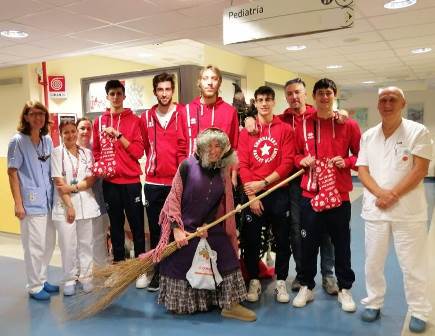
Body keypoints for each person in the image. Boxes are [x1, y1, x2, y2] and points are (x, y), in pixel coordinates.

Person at [244, 78, 338, 294]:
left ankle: (328, 275)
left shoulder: (318, 116)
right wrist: (250, 118)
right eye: (290, 94)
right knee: (297, 231)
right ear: (285, 98)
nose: (294, 97)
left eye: (298, 92)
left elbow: (332, 116)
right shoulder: (284, 119)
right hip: (292, 183)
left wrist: (338, 114)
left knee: (325, 230)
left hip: (322, 179)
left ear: (306, 94)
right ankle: (303, 275)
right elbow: (263, 117)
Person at [153, 128, 256, 322]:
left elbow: (217, 203)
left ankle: (230, 305)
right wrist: (177, 229)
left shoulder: (222, 171)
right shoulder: (187, 166)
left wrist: (207, 225)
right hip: (183, 227)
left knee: (226, 253)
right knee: (182, 257)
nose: (214, 150)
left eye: (218, 145)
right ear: (201, 146)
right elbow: (172, 200)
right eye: (210, 145)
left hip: (207, 227)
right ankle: (183, 303)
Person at [357, 87, 432, 333]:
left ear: (403, 103)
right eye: (383, 100)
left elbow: (419, 170)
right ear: (378, 105)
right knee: (373, 262)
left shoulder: (417, 131)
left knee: (412, 264)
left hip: (408, 211)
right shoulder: (369, 135)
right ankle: (374, 303)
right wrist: (381, 194)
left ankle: (420, 310)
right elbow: (363, 170)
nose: (387, 103)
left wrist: (393, 194)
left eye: (392, 99)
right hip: (376, 210)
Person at [292, 78, 360, 313]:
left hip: (339, 195)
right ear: (314, 97)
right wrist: (302, 160)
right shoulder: (302, 124)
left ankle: (345, 288)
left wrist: (347, 161)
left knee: (341, 244)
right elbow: (295, 155)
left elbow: (361, 157)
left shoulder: (348, 124)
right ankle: (307, 286)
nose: (324, 97)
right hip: (310, 194)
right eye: (319, 93)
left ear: (334, 95)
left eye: (328, 93)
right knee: (307, 244)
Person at [238, 86, 294, 303]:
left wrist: (264, 183)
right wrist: (252, 196)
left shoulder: (285, 130)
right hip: (253, 197)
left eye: (268, 100)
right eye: (260, 100)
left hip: (277, 193)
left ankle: (281, 281)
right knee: (251, 240)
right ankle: (253, 280)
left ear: (273, 102)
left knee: (282, 239)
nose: (264, 104)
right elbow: (243, 165)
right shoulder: (247, 132)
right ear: (255, 102)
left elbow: (288, 162)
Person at [136, 72, 184, 291]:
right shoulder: (145, 117)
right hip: (154, 184)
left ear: (173, 91)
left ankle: (174, 274)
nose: (164, 94)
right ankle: (156, 272)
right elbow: (144, 146)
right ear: (155, 91)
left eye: (167, 89)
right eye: (160, 90)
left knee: (177, 231)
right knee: (156, 232)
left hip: (177, 183)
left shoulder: (183, 113)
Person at [7, 101, 59, 300]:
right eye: (33, 113)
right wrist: (18, 203)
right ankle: (34, 285)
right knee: (34, 246)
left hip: (47, 201)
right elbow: (12, 173)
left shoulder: (46, 140)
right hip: (30, 202)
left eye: (41, 114)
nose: (38, 117)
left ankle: (43, 278)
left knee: (47, 244)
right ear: (26, 116)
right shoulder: (17, 141)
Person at [92, 80, 145, 262]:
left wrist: (119, 136)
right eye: (112, 94)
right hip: (110, 184)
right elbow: (96, 151)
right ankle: (119, 265)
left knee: (137, 226)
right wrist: (102, 167)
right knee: (115, 227)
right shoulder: (99, 122)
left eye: (118, 93)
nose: (115, 97)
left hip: (131, 183)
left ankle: (140, 268)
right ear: (107, 97)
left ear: (124, 96)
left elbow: (138, 152)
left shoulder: (135, 121)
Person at [51, 120, 100, 296]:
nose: (71, 135)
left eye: (73, 131)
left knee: (86, 244)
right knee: (68, 245)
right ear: (60, 134)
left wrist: (72, 188)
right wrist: (70, 206)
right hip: (65, 207)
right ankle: (70, 279)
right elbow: (58, 182)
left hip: (85, 203)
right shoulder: (57, 153)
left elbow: (91, 179)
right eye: (66, 132)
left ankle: (86, 277)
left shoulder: (87, 153)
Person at [177, 65, 239, 163]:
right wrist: (185, 170)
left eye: (214, 79)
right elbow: (180, 147)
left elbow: (234, 147)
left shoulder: (230, 112)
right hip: (193, 172)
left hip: (222, 172)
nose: (210, 83)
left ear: (219, 83)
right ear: (199, 82)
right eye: (205, 78)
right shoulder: (186, 111)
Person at [77, 117, 109, 267]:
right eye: (82, 128)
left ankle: (101, 268)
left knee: (99, 237)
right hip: (77, 202)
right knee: (80, 240)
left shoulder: (96, 150)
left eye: (89, 128)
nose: (86, 131)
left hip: (98, 201)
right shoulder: (68, 150)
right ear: (77, 130)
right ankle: (80, 270)